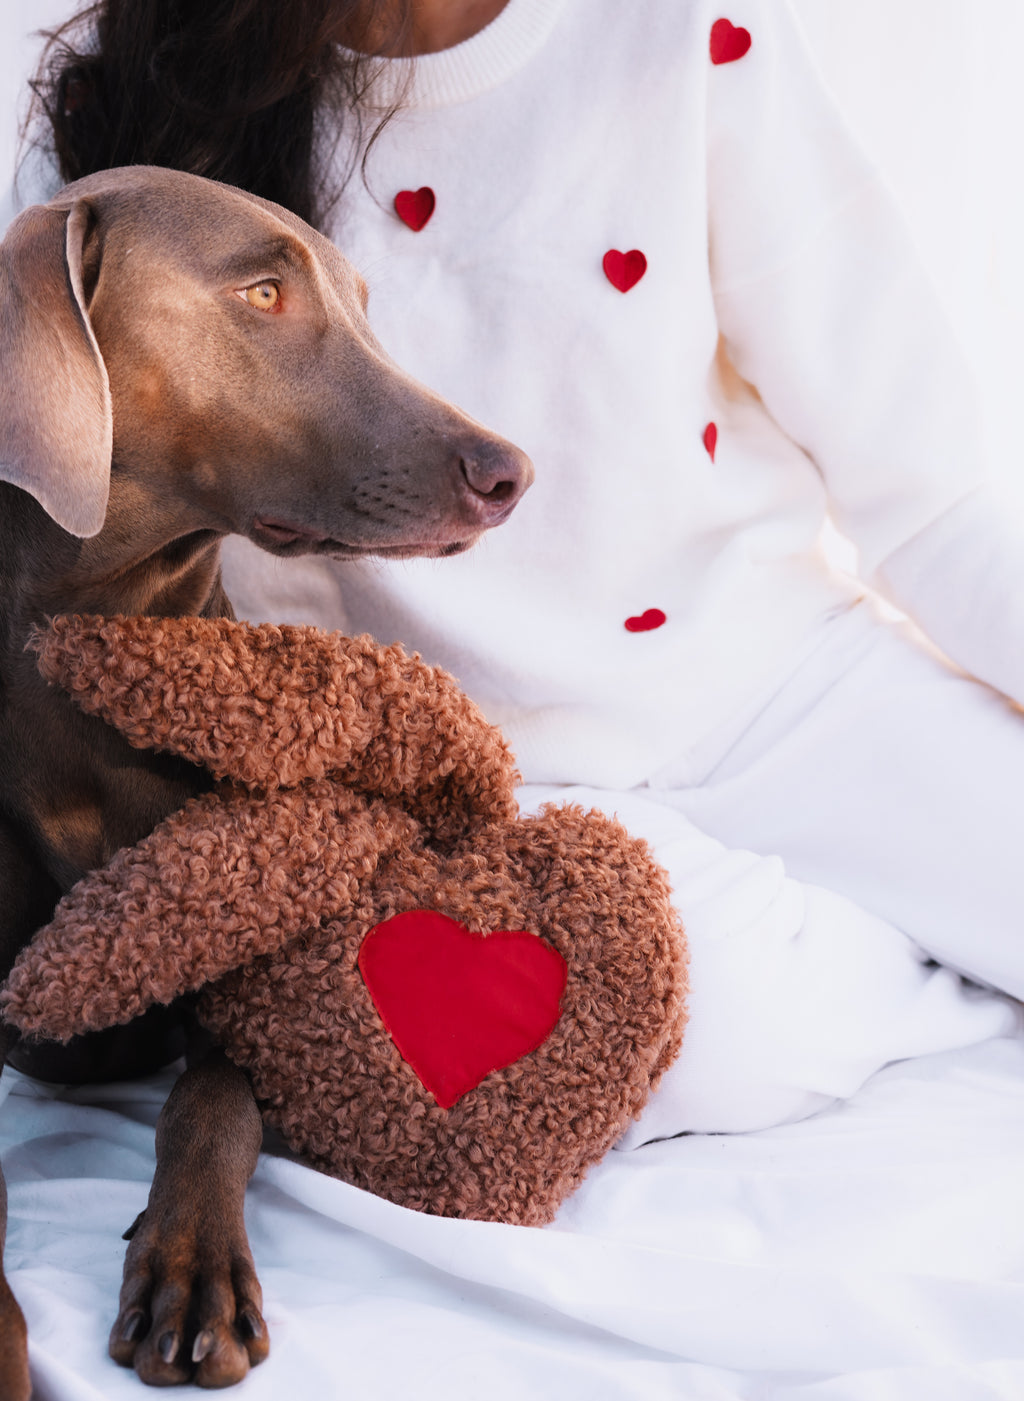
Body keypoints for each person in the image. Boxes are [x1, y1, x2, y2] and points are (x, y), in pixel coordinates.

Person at [27, 0, 1024, 1137]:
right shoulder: (136, 94)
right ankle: (933, 969)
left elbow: (929, 493)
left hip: (787, 692)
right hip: (476, 795)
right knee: (696, 1043)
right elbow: (44, 467)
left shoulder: (687, 32)